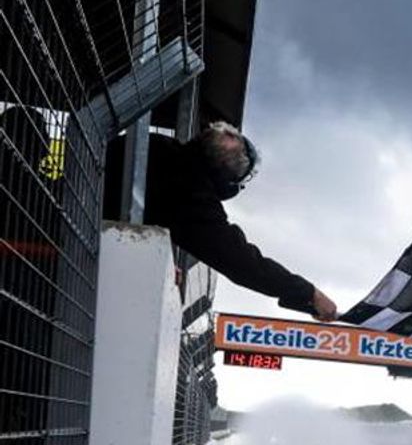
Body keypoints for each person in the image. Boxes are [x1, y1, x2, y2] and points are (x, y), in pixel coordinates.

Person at [103, 122, 337, 319]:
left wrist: (157, 257)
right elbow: (242, 262)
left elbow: (149, 210)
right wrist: (309, 293)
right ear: (228, 178)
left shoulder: (154, 145)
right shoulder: (192, 194)